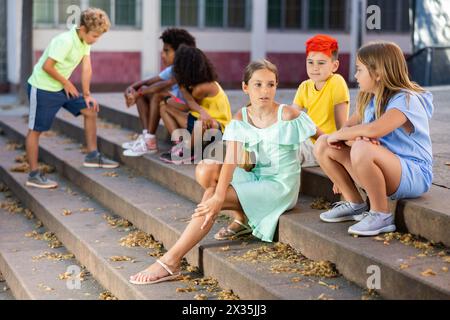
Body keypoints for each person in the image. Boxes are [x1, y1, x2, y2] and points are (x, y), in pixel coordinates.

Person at [129, 59, 319, 285]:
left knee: (213, 196)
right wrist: (219, 194)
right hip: (254, 175)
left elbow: (323, 138)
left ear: (277, 85)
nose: (265, 91)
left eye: (270, 84)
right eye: (257, 85)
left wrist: (343, 166)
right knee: (210, 181)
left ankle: (171, 261)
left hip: (278, 186)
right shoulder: (241, 116)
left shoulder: (287, 114)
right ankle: (231, 225)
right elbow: (231, 158)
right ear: (245, 87)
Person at [314, 42, 434, 237]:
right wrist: (355, 139)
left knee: (361, 147)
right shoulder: (369, 100)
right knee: (323, 144)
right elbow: (347, 129)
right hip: (379, 169)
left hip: (413, 173)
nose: (355, 75)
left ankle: (381, 214)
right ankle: (355, 204)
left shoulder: (406, 99)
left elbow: (375, 129)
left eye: (359, 70)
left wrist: (358, 139)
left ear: (378, 73)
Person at [26, 8, 118, 190]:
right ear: (82, 29)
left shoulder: (84, 41)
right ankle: (33, 175)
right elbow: (47, 66)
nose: (96, 40)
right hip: (43, 88)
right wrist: (67, 83)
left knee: (90, 110)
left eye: (99, 36)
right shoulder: (65, 41)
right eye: (95, 35)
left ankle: (92, 155)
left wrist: (87, 95)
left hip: (62, 87)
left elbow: (86, 68)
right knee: (35, 130)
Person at [122, 28, 196, 157]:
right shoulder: (173, 68)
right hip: (177, 105)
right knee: (144, 91)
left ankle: (150, 140)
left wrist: (138, 94)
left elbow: (165, 84)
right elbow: (149, 81)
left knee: (157, 95)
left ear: (180, 52)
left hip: (188, 109)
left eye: (166, 51)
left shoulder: (188, 67)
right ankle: (146, 136)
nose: (162, 54)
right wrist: (130, 89)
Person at [159, 46, 232, 165]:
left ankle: (188, 152)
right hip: (196, 123)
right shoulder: (195, 84)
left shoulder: (202, 87)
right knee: (164, 108)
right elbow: (187, 107)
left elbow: (189, 105)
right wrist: (167, 100)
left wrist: (181, 87)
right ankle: (180, 145)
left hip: (216, 129)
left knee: (201, 122)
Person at [292, 34, 350, 168]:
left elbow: (342, 128)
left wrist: (342, 163)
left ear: (334, 66)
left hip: (325, 147)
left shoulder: (337, 82)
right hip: (307, 142)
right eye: (310, 62)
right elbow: (291, 116)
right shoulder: (304, 86)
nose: (315, 67)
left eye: (321, 63)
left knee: (286, 152)